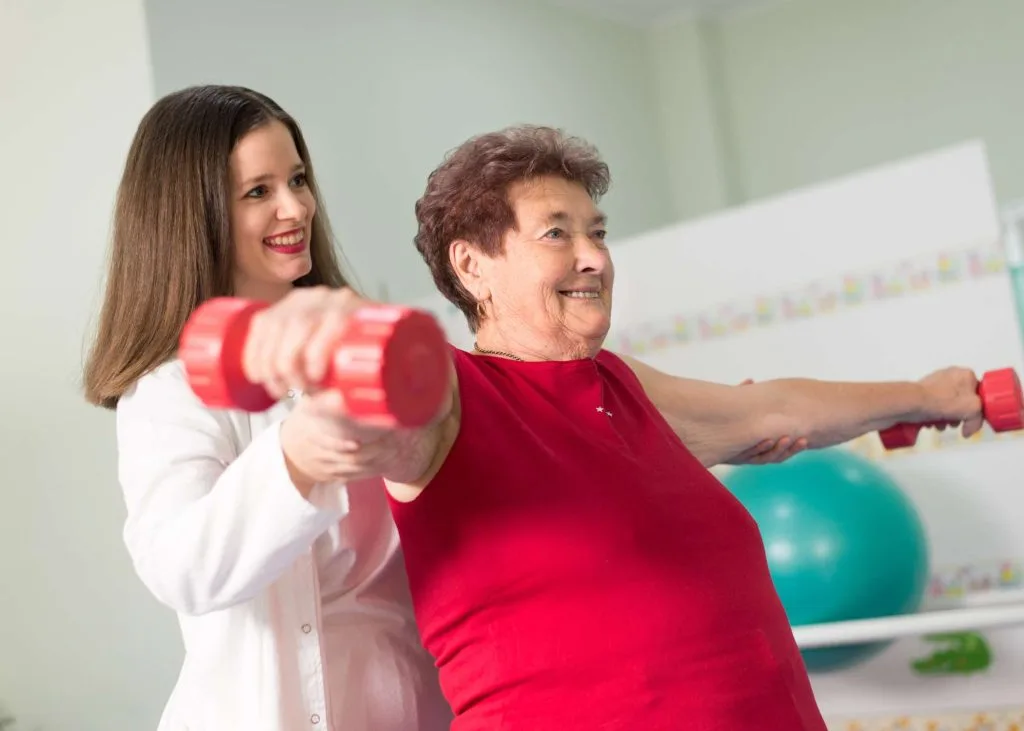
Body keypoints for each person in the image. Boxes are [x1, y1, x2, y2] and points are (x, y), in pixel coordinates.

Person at [226, 124, 986, 730]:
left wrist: (927, 394)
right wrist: (336, 333)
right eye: (556, 233)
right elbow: (388, 397)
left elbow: (774, 411)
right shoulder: (454, 396)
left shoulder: (620, 386)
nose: (594, 256)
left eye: (597, 230)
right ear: (472, 265)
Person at [82, 85, 454, 731]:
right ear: (193, 214)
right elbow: (181, 567)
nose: (296, 207)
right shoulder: (170, 388)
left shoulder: (356, 343)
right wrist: (296, 454)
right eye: (259, 191)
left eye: (298, 179)